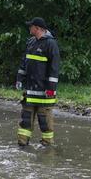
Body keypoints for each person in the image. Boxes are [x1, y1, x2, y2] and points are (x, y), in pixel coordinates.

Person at [16, 17, 60, 147]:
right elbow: (24, 62)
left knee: (44, 120)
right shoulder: (31, 42)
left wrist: (51, 88)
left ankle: (47, 146)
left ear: (38, 28)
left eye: (31, 26)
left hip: (45, 91)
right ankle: (22, 144)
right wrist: (19, 79)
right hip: (30, 90)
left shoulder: (51, 44)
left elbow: (54, 69)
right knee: (26, 119)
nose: (29, 28)